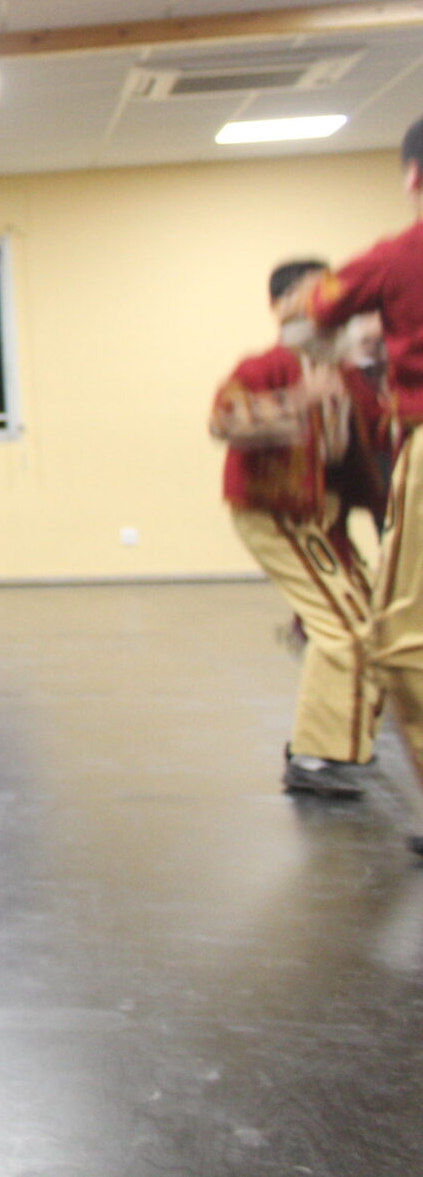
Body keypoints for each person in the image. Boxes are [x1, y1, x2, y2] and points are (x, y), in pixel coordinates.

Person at [286, 114, 423, 839]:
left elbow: (309, 317)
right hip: (297, 511)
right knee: (353, 623)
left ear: (412, 175)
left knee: (391, 636)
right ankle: (320, 751)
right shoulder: (284, 371)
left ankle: (323, 750)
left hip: (349, 498)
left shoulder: (398, 257)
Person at [214, 259, 384, 798]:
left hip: (321, 514)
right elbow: (224, 421)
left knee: (373, 623)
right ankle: (315, 758)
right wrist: (294, 402)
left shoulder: (350, 372)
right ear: (284, 306)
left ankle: (336, 740)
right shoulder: (268, 365)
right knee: (346, 628)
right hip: (275, 511)